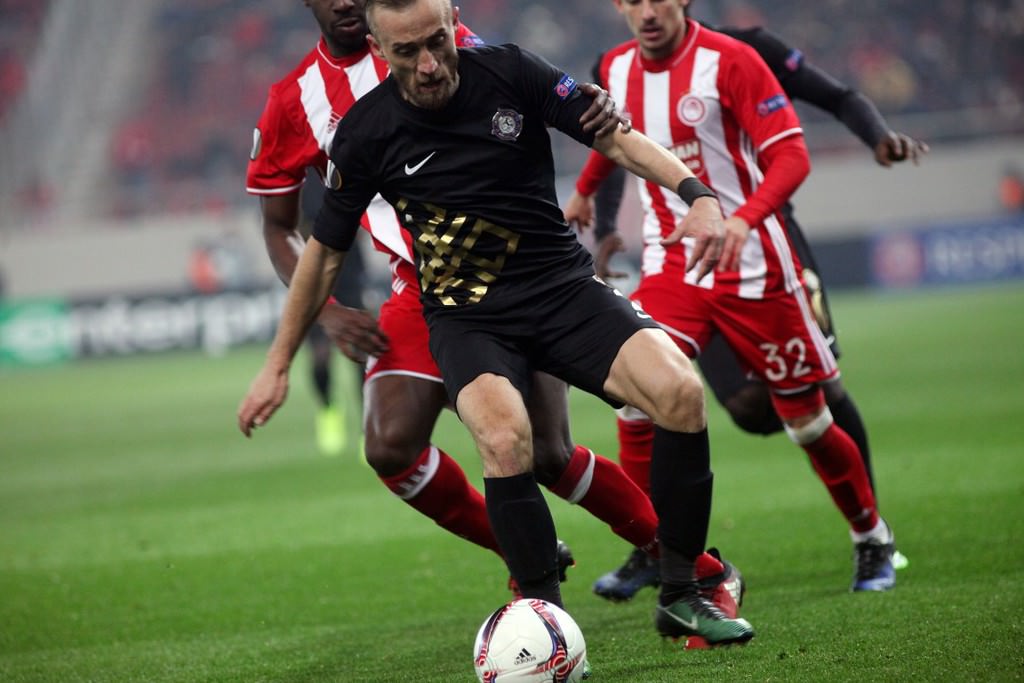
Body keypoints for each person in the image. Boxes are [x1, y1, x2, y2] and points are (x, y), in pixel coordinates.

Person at [240, 0, 755, 646]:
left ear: (454, 22)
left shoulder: (508, 69)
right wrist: (280, 360)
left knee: (677, 392)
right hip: (464, 312)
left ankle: (685, 590)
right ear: (380, 46)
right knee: (500, 437)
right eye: (407, 52)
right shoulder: (363, 130)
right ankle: (544, 620)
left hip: (560, 288)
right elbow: (322, 251)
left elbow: (611, 135)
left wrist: (697, 194)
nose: (429, 65)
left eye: (438, 43)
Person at [579, 8, 925, 601]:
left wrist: (742, 219)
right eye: (633, 0)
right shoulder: (613, 68)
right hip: (674, 263)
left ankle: (871, 536)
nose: (647, 11)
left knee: (808, 422)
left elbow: (792, 156)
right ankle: (655, 547)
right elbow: (617, 141)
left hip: (756, 264)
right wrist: (586, 193)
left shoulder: (734, 59)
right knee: (637, 395)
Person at [300, 169, 369, 456]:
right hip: (314, 280)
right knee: (320, 358)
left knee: (361, 354)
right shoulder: (301, 179)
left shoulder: (345, 162)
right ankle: (328, 409)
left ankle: (368, 426)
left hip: (349, 276)